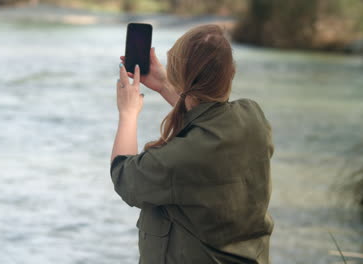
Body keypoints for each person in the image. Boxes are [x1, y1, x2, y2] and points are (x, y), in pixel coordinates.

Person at [110, 24, 274, 264]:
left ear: (182, 78)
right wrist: (166, 85)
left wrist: (128, 113)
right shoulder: (253, 118)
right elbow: (209, 116)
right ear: (230, 72)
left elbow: (124, 175)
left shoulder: (180, 159)